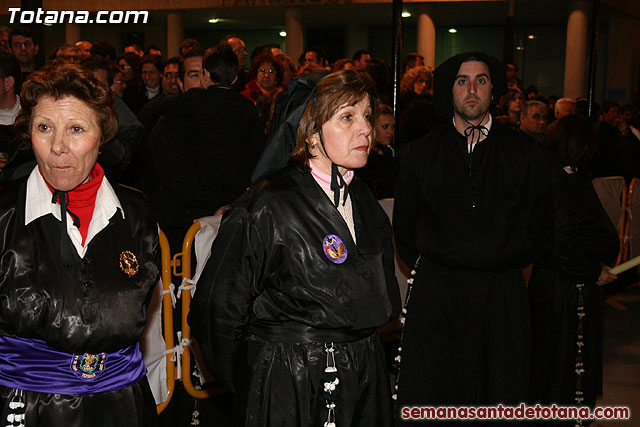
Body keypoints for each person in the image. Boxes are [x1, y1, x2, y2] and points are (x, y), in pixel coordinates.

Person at [189, 69, 401, 427]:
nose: (365, 128)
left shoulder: (363, 198)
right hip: (290, 380)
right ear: (313, 135)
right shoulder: (267, 206)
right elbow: (217, 311)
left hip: (364, 373)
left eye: (366, 115)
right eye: (347, 117)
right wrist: (260, 380)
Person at [393, 52, 553, 420]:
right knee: (434, 392)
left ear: (493, 89)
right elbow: (404, 228)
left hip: (501, 296)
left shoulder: (524, 153)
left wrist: (503, 259)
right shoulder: (419, 154)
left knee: (499, 391)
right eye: (462, 81)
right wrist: (438, 264)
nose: (471, 90)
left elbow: (542, 227)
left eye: (481, 80)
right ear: (449, 89)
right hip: (438, 294)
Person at [0, 63, 159, 426]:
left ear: (101, 136)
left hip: (122, 406)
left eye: (75, 129)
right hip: (26, 407)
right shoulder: (5, 215)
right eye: (44, 128)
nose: (57, 147)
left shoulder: (135, 211)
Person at [529, 115, 619, 423]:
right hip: (565, 289)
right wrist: (592, 272)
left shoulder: (568, 176)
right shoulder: (559, 181)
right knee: (563, 364)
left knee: (563, 364)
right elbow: (560, 243)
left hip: (568, 284)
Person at [356, 104, 398, 199]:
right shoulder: (363, 157)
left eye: (393, 127)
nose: (390, 131)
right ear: (372, 127)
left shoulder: (390, 153)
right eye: (385, 126)